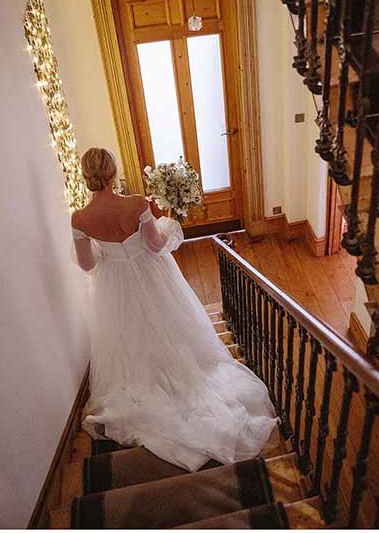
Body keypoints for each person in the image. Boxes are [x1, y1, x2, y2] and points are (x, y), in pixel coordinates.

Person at [70, 148, 277, 471]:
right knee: (169, 324)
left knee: (129, 333)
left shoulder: (79, 219)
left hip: (115, 286)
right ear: (113, 172)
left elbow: (86, 264)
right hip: (152, 275)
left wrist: (106, 251)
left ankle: (145, 379)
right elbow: (154, 245)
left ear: (86, 176)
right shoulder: (136, 203)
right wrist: (168, 227)